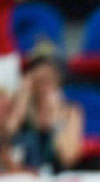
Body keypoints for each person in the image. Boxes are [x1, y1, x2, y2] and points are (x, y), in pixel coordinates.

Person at [4, 42, 85, 173]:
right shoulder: (18, 108)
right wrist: (22, 102)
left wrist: (55, 119)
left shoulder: (70, 112)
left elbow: (68, 157)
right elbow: (7, 136)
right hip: (21, 177)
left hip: (56, 180)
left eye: (49, 80)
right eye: (40, 80)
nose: (44, 87)